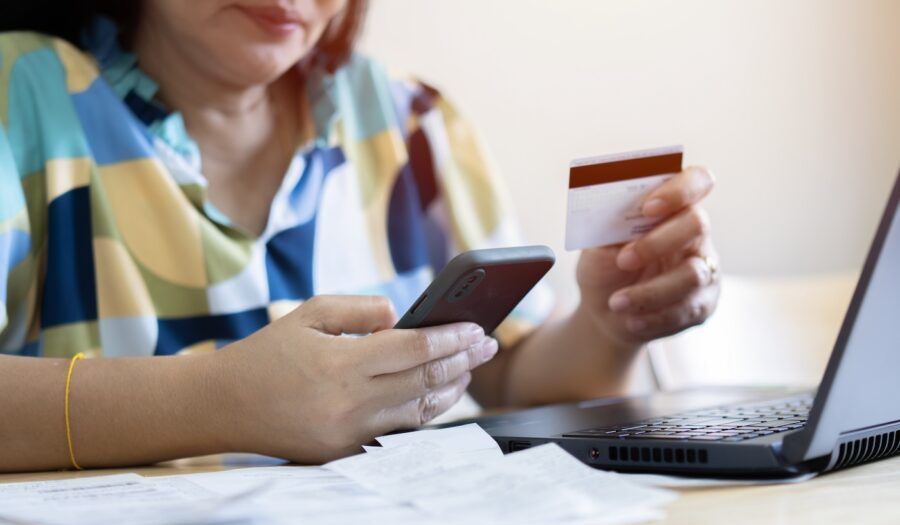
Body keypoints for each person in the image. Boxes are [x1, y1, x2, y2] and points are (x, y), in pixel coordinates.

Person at [0, 0, 720, 472]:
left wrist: (610, 322)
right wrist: (219, 399)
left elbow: (513, 375)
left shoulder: (407, 118)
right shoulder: (20, 89)